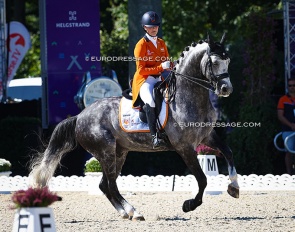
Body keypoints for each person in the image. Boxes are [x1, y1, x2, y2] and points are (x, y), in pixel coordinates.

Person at [132, 11, 171, 149]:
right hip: (145, 80)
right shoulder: (141, 45)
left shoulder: (161, 43)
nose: (154, 29)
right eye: (150, 26)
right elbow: (141, 70)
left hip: (160, 78)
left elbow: (167, 63)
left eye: (156, 26)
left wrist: (174, 65)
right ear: (144, 27)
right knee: (150, 100)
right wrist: (161, 66)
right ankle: (155, 136)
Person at [277, 78, 295, 175]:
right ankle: (289, 174)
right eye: (290, 85)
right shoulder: (283, 99)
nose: (292, 87)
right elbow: (280, 115)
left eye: (294, 85)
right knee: (289, 151)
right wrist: (291, 125)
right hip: (288, 130)